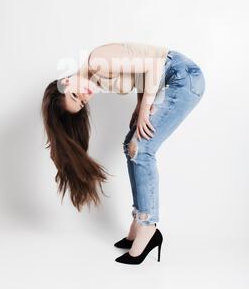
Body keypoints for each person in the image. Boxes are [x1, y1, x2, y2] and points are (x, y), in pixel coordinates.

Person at [41, 42, 205, 265]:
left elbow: (154, 66)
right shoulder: (96, 78)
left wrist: (145, 109)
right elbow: (140, 74)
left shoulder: (97, 62)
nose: (84, 98)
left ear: (66, 82)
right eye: (80, 103)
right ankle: (139, 222)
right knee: (131, 145)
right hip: (175, 78)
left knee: (142, 148)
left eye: (74, 95)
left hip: (183, 77)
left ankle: (148, 227)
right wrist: (140, 107)